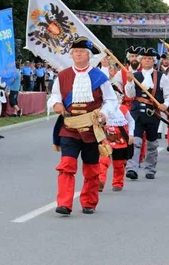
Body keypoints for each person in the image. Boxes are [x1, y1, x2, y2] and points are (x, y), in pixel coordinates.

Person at [48, 37, 117, 216]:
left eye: (82, 52)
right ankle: (64, 203)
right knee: (66, 165)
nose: (78, 55)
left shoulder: (99, 77)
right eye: (75, 52)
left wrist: (104, 114)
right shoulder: (63, 75)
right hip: (69, 128)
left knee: (92, 169)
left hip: (91, 129)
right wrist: (56, 104)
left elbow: (110, 100)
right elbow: (54, 95)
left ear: (89, 55)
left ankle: (89, 202)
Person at [124, 47, 169, 180]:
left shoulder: (161, 77)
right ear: (141, 60)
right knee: (135, 141)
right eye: (145, 58)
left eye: (150, 59)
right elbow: (130, 94)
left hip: (153, 113)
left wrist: (166, 104)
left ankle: (150, 169)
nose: (147, 60)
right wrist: (129, 82)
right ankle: (132, 168)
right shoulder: (134, 75)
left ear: (154, 61)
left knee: (152, 143)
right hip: (136, 113)